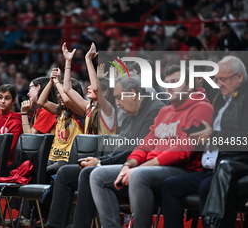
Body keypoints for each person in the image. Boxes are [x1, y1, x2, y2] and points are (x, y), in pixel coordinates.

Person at [89, 64, 214, 228]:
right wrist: (128, 164)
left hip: (181, 169)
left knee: (138, 175)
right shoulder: (165, 111)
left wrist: (141, 167)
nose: (170, 87)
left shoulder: (202, 108)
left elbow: (183, 151)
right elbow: (146, 144)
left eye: (175, 82)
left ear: (189, 86)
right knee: (97, 175)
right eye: (167, 82)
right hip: (152, 167)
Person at [45, 73, 165, 228]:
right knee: (64, 173)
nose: (117, 103)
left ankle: (79, 225)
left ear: (133, 94)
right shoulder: (131, 109)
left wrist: (100, 162)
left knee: (90, 173)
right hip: (121, 164)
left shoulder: (155, 111)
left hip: (142, 167)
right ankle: (54, 225)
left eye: (119, 97)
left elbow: (138, 150)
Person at [185, 56, 247, 228]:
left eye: (223, 79)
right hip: (216, 162)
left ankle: (213, 224)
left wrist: (212, 136)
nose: (218, 84)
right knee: (172, 184)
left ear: (239, 77)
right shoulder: (221, 100)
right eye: (216, 79)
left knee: (209, 184)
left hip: (236, 161)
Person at [37, 68, 85, 177]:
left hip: (67, 160)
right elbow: (41, 101)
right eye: (58, 92)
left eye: (63, 92)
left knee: (42, 172)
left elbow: (68, 100)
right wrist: (51, 81)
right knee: (35, 170)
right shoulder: (60, 110)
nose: (59, 95)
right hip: (53, 157)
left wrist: (58, 82)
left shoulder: (80, 111)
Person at [62, 42, 116, 135]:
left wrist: (88, 60)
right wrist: (68, 61)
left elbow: (95, 88)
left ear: (104, 92)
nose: (88, 87)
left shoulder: (108, 109)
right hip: (90, 148)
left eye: (92, 85)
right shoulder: (89, 107)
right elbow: (67, 89)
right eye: (89, 85)